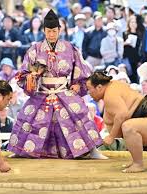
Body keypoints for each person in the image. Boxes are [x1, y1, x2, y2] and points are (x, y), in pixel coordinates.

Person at [7, 9, 105, 159]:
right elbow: (23, 72)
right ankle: (21, 150)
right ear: (44, 31)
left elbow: (81, 69)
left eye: (54, 31)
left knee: (79, 112)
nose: (51, 34)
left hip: (63, 90)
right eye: (48, 31)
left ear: (60, 30)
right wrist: (31, 78)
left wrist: (78, 84)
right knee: (28, 115)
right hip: (42, 91)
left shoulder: (70, 48)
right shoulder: (35, 49)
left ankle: (91, 151)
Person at [86, 71, 147, 173]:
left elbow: (122, 114)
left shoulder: (110, 95)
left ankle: (138, 164)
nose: (88, 93)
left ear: (99, 87)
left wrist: (111, 136)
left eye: (89, 89)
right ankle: (135, 161)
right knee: (128, 126)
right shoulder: (113, 86)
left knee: (128, 127)